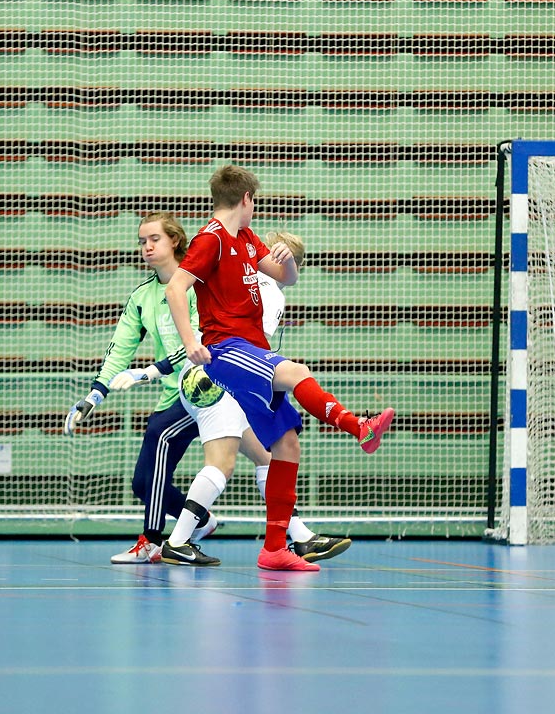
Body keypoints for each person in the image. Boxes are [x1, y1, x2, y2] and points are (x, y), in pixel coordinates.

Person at [66, 214, 348, 565]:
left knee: (267, 456)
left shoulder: (237, 280)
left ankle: (298, 536)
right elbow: (204, 340)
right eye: (143, 241)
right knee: (209, 463)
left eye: (154, 239)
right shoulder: (231, 288)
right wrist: (118, 384)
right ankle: (170, 540)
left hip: (217, 379)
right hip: (210, 380)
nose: (147, 247)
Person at [164, 165, 394, 572]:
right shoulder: (211, 239)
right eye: (255, 202)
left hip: (250, 348)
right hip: (226, 348)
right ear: (247, 200)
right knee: (297, 373)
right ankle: (359, 427)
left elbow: (285, 277)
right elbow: (175, 286)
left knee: (287, 445)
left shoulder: (247, 238)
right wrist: (191, 342)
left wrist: (287, 263)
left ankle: (275, 549)